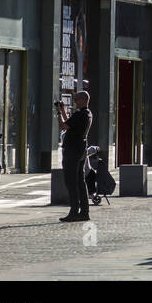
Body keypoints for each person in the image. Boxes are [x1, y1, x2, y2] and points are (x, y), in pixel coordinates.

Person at [57, 92, 93, 222]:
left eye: (77, 99)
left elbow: (63, 126)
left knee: (71, 182)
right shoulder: (87, 114)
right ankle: (84, 212)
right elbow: (69, 123)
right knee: (80, 182)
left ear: (84, 100)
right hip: (81, 149)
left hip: (72, 150)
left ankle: (74, 211)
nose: (75, 101)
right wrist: (62, 110)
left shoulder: (79, 115)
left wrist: (57, 114)